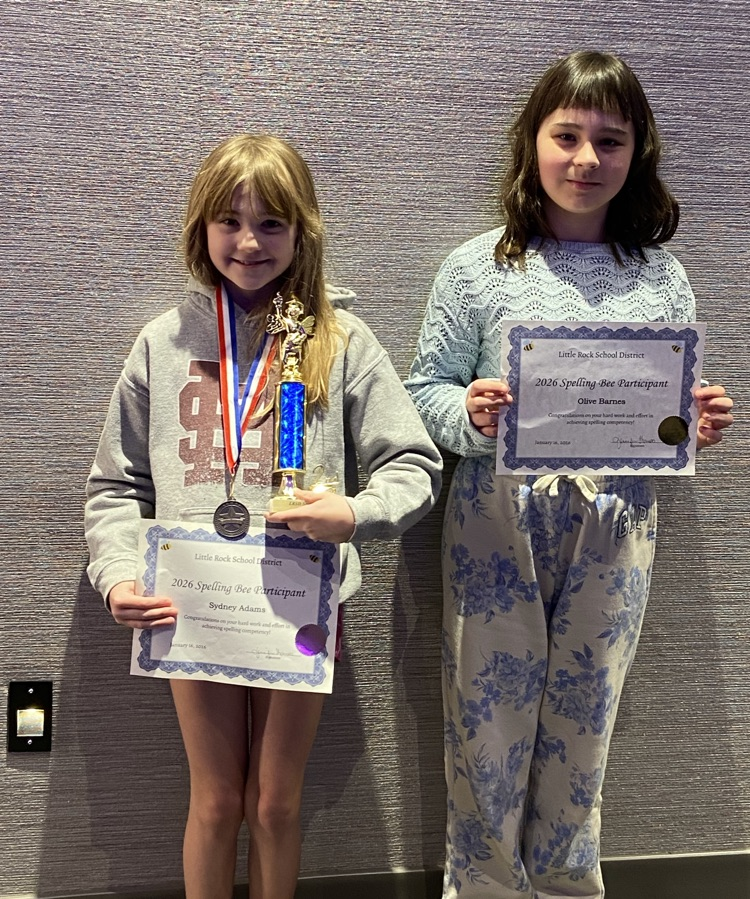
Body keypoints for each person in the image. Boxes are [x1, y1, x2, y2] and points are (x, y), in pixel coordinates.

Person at [405, 51, 733, 899]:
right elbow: (423, 390)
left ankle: (563, 886)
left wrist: (695, 426)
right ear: (533, 142)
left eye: (610, 140)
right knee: (486, 719)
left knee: (584, 724)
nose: (587, 159)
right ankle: (483, 887)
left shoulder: (661, 276)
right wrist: (467, 412)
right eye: (567, 136)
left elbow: (667, 412)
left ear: (636, 153)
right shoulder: (476, 268)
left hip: (616, 527)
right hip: (495, 522)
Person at [84, 133, 442, 899]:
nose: (249, 242)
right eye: (230, 221)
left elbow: (413, 464)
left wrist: (354, 512)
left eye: (271, 222)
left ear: (302, 229)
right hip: (191, 603)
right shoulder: (162, 343)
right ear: (201, 228)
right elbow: (115, 484)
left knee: (276, 803)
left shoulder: (341, 340)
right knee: (215, 800)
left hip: (296, 598)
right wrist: (116, 575)